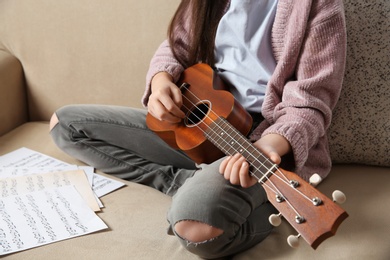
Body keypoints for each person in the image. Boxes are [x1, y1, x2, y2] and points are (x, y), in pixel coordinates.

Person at [49, 0, 346, 258]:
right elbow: (175, 48)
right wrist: (160, 82)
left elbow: (310, 103)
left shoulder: (318, 4)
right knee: (64, 125)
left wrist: (270, 144)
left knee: (196, 230)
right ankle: (181, 181)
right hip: (198, 121)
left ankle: (231, 191)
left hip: (261, 140)